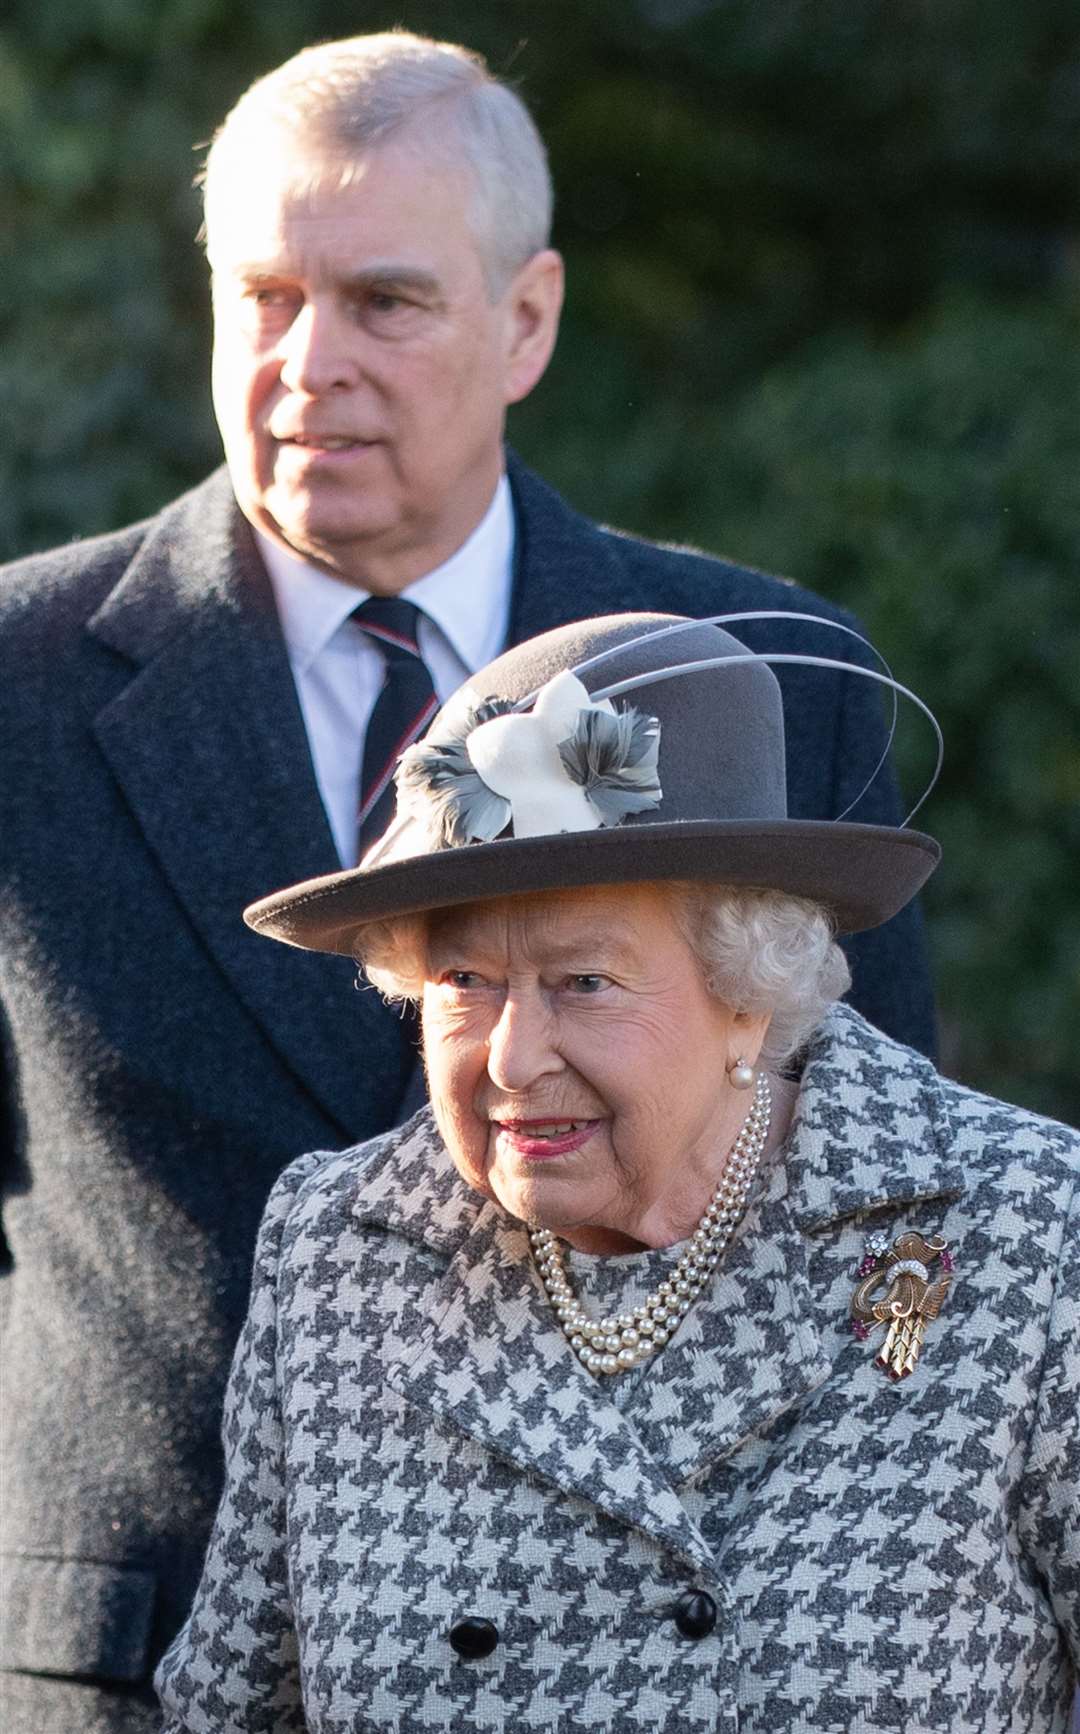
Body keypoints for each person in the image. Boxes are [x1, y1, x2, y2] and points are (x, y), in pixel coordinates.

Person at [0, 32, 934, 1732]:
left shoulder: (772, 679)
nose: (304, 365)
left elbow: (888, 1204)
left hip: (674, 1641)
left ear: (529, 320)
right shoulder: (16, 680)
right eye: (263, 296)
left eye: (384, 302)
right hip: (149, 1657)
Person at [155, 611, 1078, 1733]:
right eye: (463, 979)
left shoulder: (1025, 1233)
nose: (511, 1057)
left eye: (582, 982)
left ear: (749, 988)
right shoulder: (339, 1251)